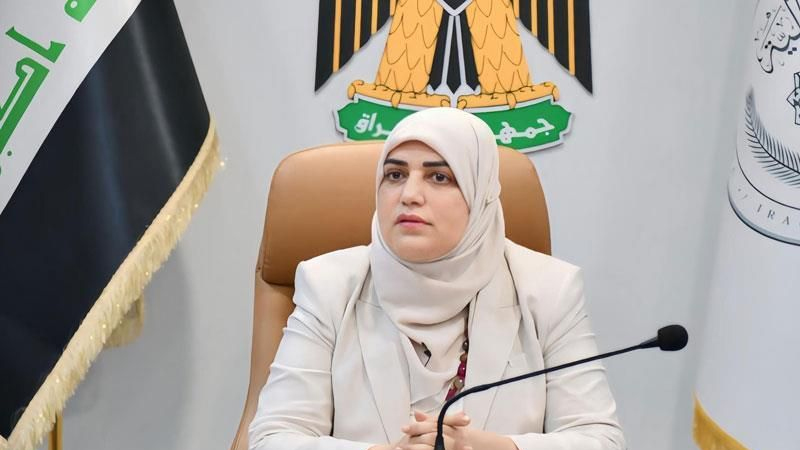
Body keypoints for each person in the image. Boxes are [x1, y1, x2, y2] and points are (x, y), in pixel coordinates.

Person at [248, 108, 625, 450]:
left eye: (439, 177)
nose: (409, 195)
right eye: (395, 175)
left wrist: (492, 448)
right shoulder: (328, 285)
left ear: (480, 194)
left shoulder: (550, 289)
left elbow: (601, 440)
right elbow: (272, 439)